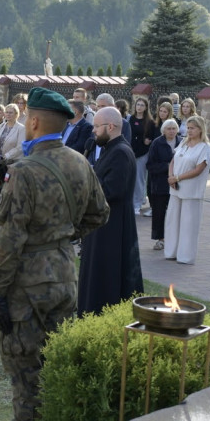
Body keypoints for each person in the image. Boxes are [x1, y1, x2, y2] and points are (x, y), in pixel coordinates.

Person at [0, 87, 108, 421]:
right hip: (65, 277)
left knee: (23, 365)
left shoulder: (24, 172)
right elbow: (99, 214)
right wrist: (64, 238)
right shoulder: (79, 162)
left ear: (34, 122)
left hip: (28, 286)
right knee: (52, 362)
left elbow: (10, 241)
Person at [77, 106, 143, 315]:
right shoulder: (110, 150)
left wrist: (84, 188)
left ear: (111, 126)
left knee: (107, 276)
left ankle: (99, 314)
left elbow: (112, 190)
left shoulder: (121, 152)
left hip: (112, 228)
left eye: (97, 126)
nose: (93, 131)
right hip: (100, 226)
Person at [163, 116, 210, 264]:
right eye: (188, 128)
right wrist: (171, 176)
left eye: (193, 128)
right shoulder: (184, 143)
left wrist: (177, 177)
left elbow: (198, 169)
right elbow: (173, 160)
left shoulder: (204, 147)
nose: (189, 131)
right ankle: (171, 252)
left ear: (200, 129)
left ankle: (185, 256)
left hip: (191, 191)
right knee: (172, 221)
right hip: (176, 189)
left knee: (188, 224)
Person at [145, 119, 179, 251]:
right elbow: (150, 165)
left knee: (174, 212)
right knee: (159, 213)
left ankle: (173, 238)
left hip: (177, 183)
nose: (171, 131)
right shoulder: (157, 143)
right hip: (159, 183)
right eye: (169, 128)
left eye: (174, 128)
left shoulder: (182, 142)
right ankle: (160, 239)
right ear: (163, 130)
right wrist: (167, 167)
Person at [129, 98, 157, 216]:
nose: (139, 107)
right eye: (138, 104)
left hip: (142, 153)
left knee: (139, 180)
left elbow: (150, 137)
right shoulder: (131, 119)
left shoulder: (149, 121)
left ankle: (137, 204)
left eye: (142, 105)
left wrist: (147, 141)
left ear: (146, 107)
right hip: (130, 152)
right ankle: (130, 202)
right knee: (130, 179)